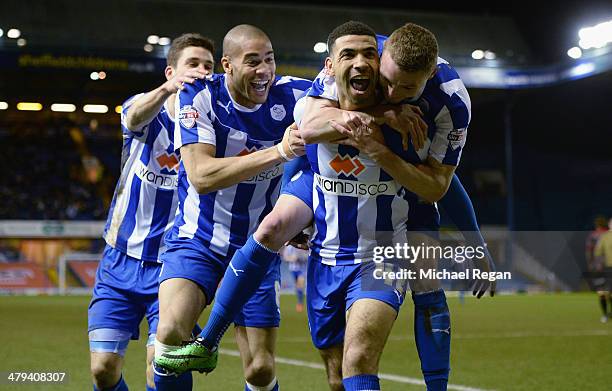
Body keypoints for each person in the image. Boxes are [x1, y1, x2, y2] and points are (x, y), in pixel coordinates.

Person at [161, 21, 491, 391]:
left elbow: (442, 182)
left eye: (407, 89)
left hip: (395, 213)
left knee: (420, 288)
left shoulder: (448, 103)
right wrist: (379, 117)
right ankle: (207, 341)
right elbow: (306, 131)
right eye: (389, 82)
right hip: (324, 194)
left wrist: (474, 243)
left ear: (428, 75)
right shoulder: (356, 60)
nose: (394, 93)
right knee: (273, 231)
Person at [152, 24, 311, 391]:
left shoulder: (295, 96)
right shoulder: (199, 97)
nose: (264, 70)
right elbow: (201, 176)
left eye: (269, 60)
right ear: (227, 65)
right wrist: (278, 152)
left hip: (256, 248)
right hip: (198, 240)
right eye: (252, 61)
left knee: (259, 369)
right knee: (170, 335)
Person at [87, 33, 215, 391]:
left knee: (162, 365)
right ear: (171, 70)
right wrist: (167, 90)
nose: (201, 71)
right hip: (120, 260)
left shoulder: (211, 129)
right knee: (103, 369)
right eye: (193, 63)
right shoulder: (147, 114)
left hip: (173, 267)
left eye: (208, 65)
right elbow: (132, 115)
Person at [593, 217, 612, 323]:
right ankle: (605, 314)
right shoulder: (605, 237)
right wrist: (599, 263)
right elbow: (597, 252)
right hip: (607, 268)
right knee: (603, 292)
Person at [280, 245, 308, 312]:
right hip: (293, 269)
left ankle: (300, 304)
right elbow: (285, 257)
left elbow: (308, 255)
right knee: (297, 287)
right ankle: (300, 300)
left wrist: (301, 257)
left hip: (302, 269)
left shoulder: (303, 245)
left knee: (300, 286)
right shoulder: (289, 247)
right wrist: (292, 259)